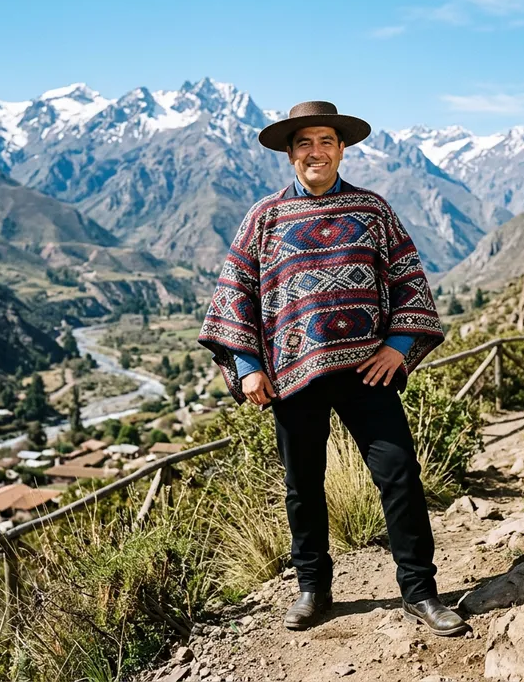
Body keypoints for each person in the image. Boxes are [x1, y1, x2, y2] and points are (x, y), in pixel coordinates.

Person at [198, 101, 469, 636]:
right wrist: (250, 365)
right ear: (290, 154)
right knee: (304, 484)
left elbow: (409, 279)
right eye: (304, 143)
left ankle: (421, 592)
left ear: (342, 149)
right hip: (294, 375)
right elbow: (235, 294)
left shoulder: (372, 211)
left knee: (400, 476)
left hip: (369, 372)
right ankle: (312, 590)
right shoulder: (264, 217)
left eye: (325, 141)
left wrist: (397, 343)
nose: (315, 152)